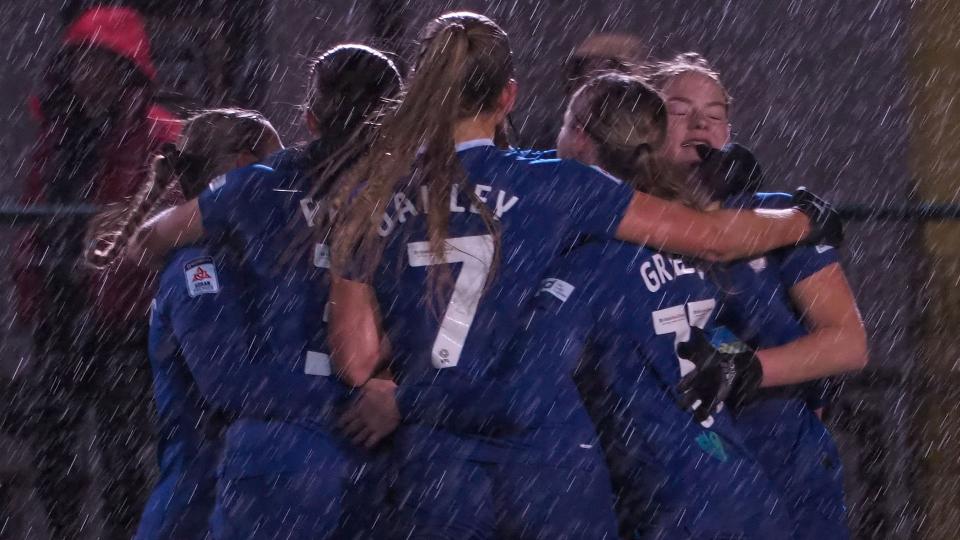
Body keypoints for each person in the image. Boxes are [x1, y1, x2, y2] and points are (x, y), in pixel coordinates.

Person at [323, 11, 841, 539]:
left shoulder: (373, 194)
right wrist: (805, 219)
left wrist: (406, 389)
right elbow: (710, 237)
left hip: (437, 462)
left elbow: (357, 358)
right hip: (550, 462)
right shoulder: (556, 186)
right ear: (509, 97)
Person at [124, 45, 405, 539]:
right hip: (226, 489)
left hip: (283, 468)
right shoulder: (201, 267)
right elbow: (230, 381)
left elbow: (147, 239)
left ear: (313, 117)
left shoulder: (263, 191)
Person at [514, 71, 798, 538]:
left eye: (565, 124)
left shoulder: (588, 264)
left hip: (672, 500)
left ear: (582, 139)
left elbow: (533, 382)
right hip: (741, 488)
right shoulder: (691, 248)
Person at [647, 52, 868, 538]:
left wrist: (752, 370)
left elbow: (848, 341)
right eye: (680, 110)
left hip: (782, 458)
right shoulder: (627, 216)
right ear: (648, 124)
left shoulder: (778, 216)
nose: (701, 123)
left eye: (717, 114)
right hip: (678, 473)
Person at [13, 6, 180, 538]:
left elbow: (171, 214)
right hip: (61, 310)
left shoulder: (160, 136)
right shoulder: (56, 132)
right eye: (82, 62)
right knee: (52, 443)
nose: (91, 74)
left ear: (129, 71)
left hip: (124, 318)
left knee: (123, 449)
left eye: (104, 63)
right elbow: (37, 212)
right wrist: (33, 284)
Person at [83, 108, 282, 539]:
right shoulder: (199, 270)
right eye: (277, 166)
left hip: (224, 493)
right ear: (247, 170)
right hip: (197, 504)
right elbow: (229, 385)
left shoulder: (233, 258)